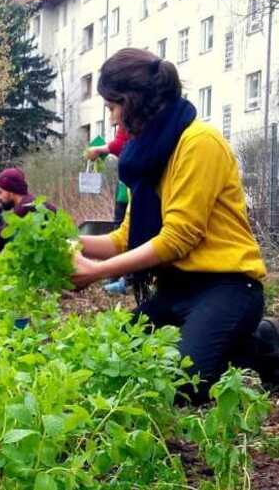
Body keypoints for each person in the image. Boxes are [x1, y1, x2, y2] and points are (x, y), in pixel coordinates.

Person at [72, 48, 278, 403]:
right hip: (175, 290)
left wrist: (98, 271)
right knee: (117, 361)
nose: (112, 120)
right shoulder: (149, 155)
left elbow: (178, 238)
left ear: (133, 102)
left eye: (112, 107)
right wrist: (69, 244)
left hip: (226, 287)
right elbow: (126, 238)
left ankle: (262, 338)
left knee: (179, 385)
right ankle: (238, 340)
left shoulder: (199, 143)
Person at [85, 123, 132, 295]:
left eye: (112, 107)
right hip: (125, 189)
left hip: (134, 189)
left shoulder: (134, 117)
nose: (110, 118)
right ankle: (117, 274)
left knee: (133, 234)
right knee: (121, 228)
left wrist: (99, 149)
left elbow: (119, 145)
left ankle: (127, 280)